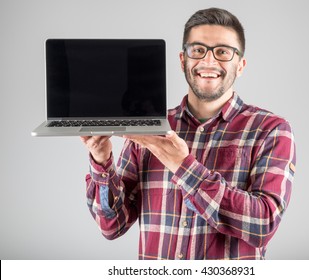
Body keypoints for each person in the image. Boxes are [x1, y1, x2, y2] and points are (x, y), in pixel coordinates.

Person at [81, 7, 296, 260]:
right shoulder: (148, 130)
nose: (208, 61)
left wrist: (183, 166)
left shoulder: (271, 130)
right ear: (183, 60)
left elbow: (263, 224)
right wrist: (102, 161)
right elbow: (112, 226)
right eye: (198, 50)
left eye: (223, 52)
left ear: (240, 65)